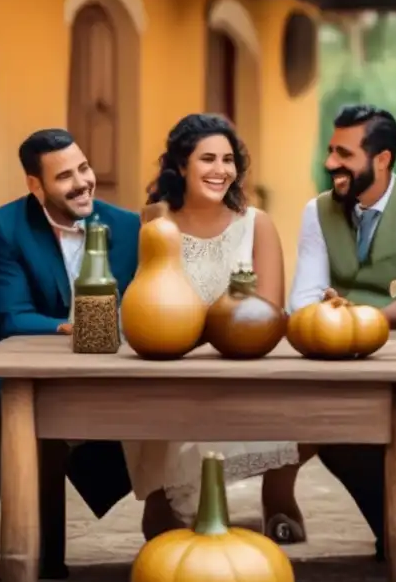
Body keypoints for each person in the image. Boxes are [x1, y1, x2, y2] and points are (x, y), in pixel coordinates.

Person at [0, 129, 140, 582]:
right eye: (64, 177)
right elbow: (13, 317)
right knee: (0, 391)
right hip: (28, 359)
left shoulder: (128, 225)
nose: (81, 183)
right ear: (35, 186)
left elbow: (138, 308)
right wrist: (72, 326)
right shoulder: (4, 225)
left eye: (84, 168)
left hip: (108, 366)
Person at [125, 113, 307, 542]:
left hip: (241, 363)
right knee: (160, 403)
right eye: (207, 159)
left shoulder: (256, 223)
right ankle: (167, 499)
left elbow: (269, 311)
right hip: (171, 366)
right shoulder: (155, 222)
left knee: (298, 400)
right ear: (181, 166)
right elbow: (147, 299)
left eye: (228, 160)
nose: (221, 170)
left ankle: (277, 497)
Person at [287, 103, 396, 560]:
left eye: (344, 153)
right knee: (336, 432)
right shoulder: (316, 212)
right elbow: (302, 301)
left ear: (382, 159)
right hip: (332, 360)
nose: (330, 164)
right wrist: (341, 321)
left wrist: (348, 314)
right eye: (330, 150)